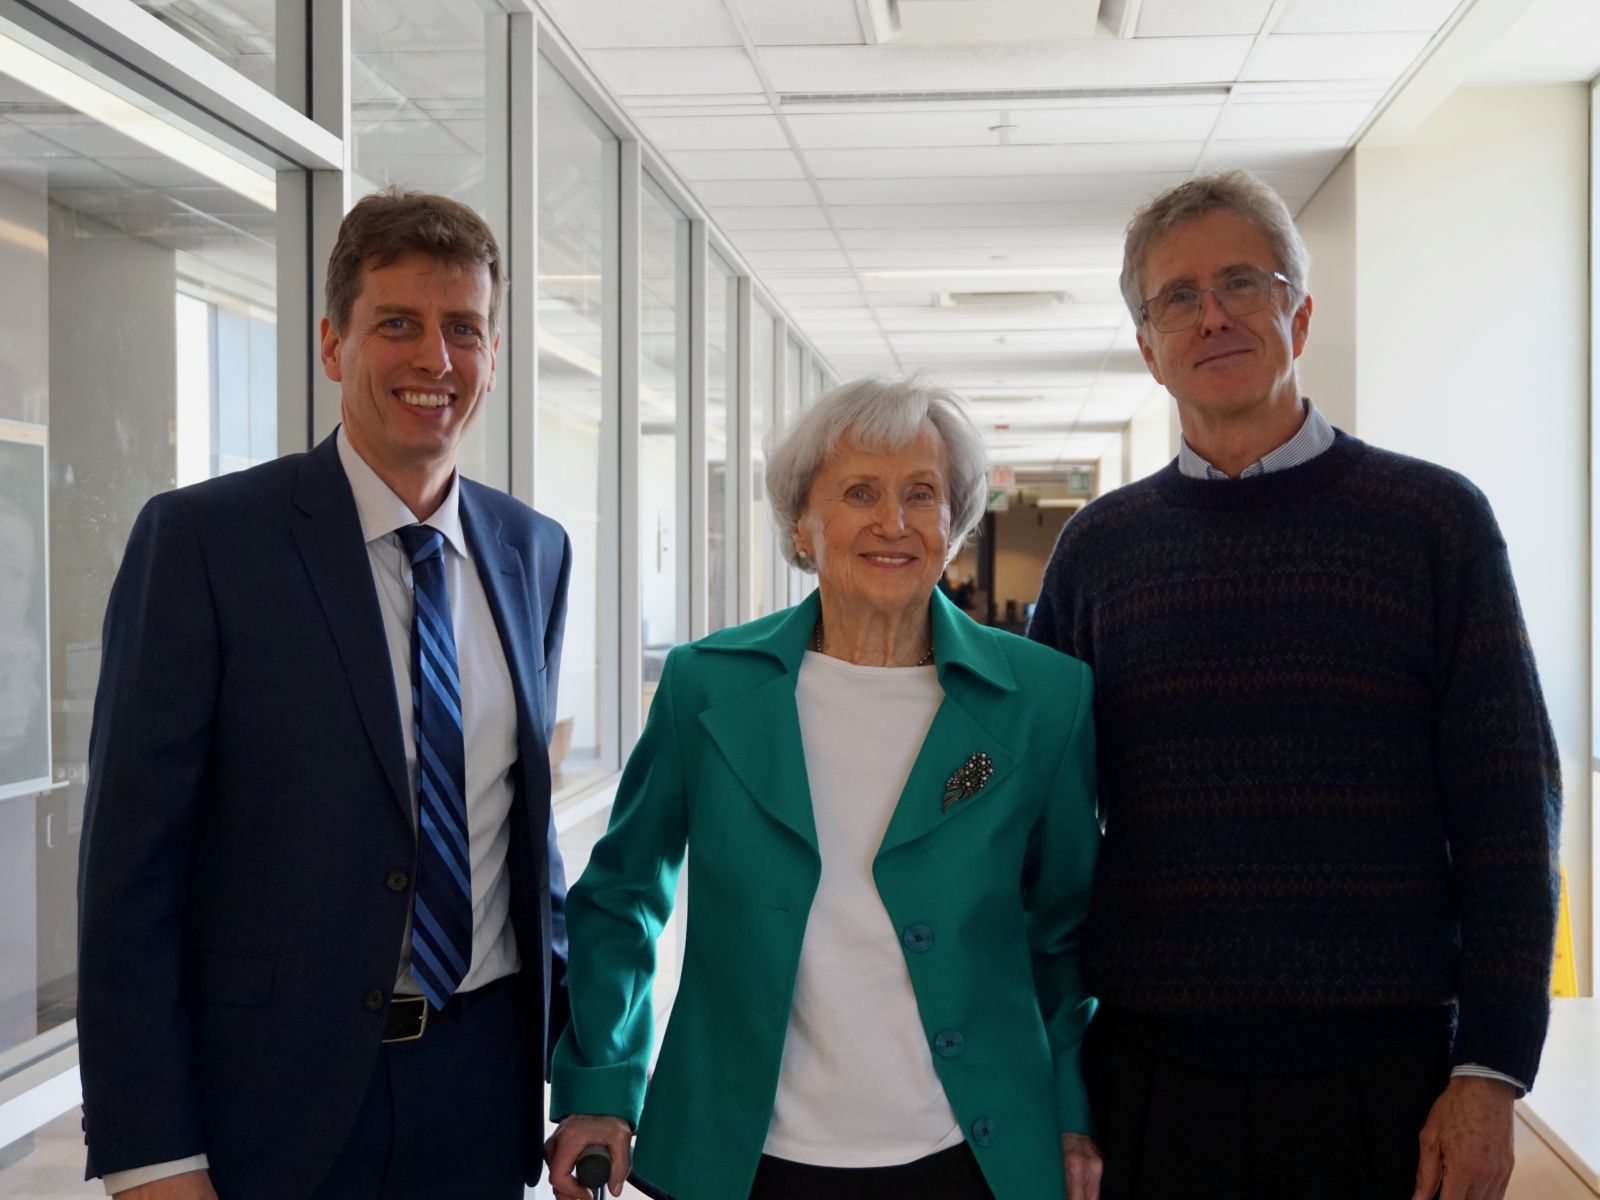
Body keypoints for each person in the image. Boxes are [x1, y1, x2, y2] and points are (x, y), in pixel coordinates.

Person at [1027, 169, 1561, 1200]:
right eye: (1176, 298)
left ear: (1299, 314)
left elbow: (1509, 810)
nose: (1212, 315)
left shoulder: (1432, 523)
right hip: (1149, 1082)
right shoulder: (1098, 553)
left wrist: (1490, 1071)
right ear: (1147, 348)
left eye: (1243, 282)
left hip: (1387, 1085)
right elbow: (1034, 808)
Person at [77, 188, 573, 1200]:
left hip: (480, 1090)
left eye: (463, 330)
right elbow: (131, 871)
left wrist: (579, 1074)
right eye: (397, 324)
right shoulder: (207, 544)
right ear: (333, 344)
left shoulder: (533, 551)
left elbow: (520, 840)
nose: (434, 360)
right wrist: (151, 1152)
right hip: (272, 1098)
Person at [544, 378, 1102, 1200]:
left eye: (922, 493)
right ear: (803, 522)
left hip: (968, 1152)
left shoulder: (1043, 699)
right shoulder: (708, 687)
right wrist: (600, 1084)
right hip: (745, 1154)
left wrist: (1073, 1110)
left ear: (956, 522)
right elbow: (624, 893)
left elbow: (1065, 932)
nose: (894, 522)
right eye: (859, 493)